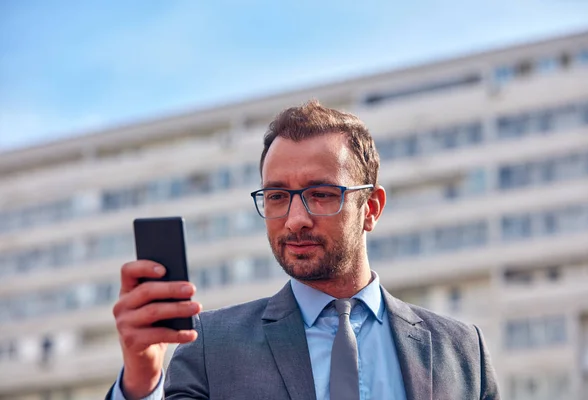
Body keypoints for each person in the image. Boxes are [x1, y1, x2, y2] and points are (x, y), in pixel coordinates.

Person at [106, 100, 500, 400]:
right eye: (277, 196)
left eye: (321, 194)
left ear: (372, 209)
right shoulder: (211, 344)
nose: (295, 219)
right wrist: (141, 382)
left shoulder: (462, 351)